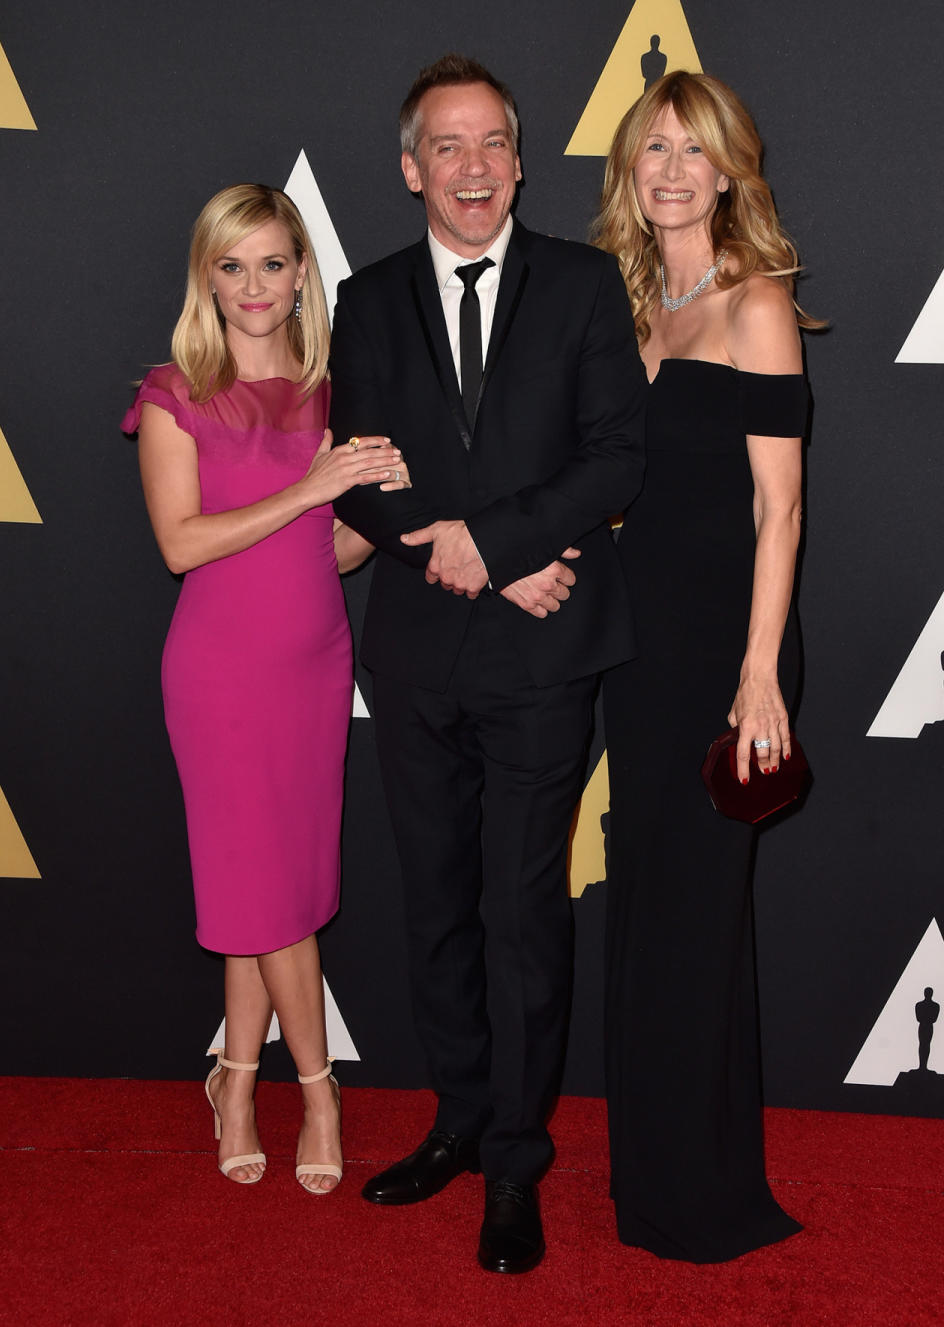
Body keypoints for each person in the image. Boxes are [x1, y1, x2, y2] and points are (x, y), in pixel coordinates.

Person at [329, 54, 646, 1273]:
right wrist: (474, 556)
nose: (473, 167)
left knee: (522, 916)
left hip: (547, 654)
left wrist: (503, 544)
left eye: (493, 144)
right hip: (418, 656)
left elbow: (618, 455)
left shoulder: (582, 285)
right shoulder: (368, 299)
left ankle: (516, 1160)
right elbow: (370, 464)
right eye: (447, 147)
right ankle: (459, 1118)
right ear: (412, 169)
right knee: (437, 911)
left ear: (521, 159)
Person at [122, 184, 409, 1192]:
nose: (253, 284)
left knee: (268, 887)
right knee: (275, 894)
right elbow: (181, 544)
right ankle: (320, 1089)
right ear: (209, 275)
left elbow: (325, 551)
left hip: (315, 664)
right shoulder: (173, 391)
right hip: (220, 672)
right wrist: (309, 488)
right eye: (232, 264)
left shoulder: (332, 391)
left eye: (272, 263)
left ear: (301, 277)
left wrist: (374, 502)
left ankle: (235, 1076)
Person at [593, 70, 820, 1261]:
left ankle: (700, 1192)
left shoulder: (755, 303)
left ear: (731, 171)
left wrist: (760, 672)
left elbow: (779, 510)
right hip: (641, 646)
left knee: (695, 919)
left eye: (694, 150)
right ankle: (657, 1170)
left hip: (728, 653)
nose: (672, 169)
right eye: (653, 149)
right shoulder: (637, 303)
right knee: (653, 911)